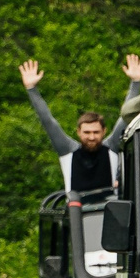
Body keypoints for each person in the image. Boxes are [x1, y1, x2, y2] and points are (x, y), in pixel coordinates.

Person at [21, 60, 126, 194]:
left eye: (96, 132)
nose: (92, 137)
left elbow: (125, 117)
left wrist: (135, 82)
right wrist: (31, 89)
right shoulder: (67, 151)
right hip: (76, 213)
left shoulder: (111, 148)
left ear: (104, 132)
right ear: (78, 132)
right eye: (87, 132)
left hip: (109, 211)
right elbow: (47, 121)